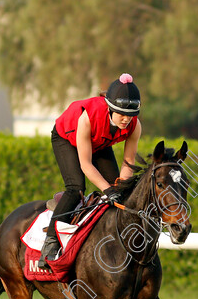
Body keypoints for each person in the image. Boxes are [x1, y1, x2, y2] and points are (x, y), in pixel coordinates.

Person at [38, 73, 142, 267]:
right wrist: (108, 190)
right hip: (66, 138)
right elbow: (86, 164)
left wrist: (118, 188)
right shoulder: (88, 117)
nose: (127, 120)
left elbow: (128, 162)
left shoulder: (135, 126)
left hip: (98, 143)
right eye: (122, 114)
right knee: (76, 188)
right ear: (110, 109)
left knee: (120, 191)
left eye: (131, 115)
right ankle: (50, 243)